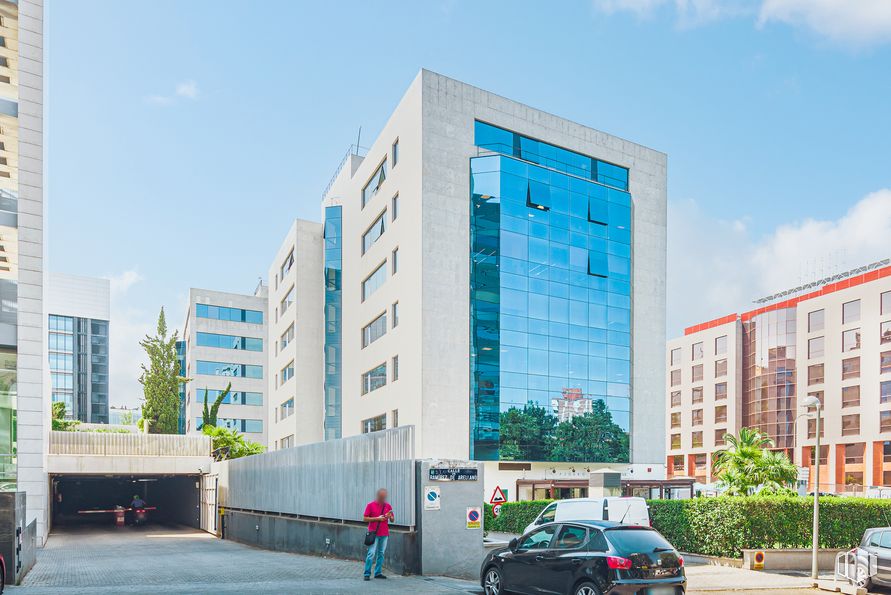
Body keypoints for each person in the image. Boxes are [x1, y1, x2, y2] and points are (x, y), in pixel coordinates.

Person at [362, 488, 394, 581]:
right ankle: (367, 573)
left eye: (384, 496)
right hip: (374, 533)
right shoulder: (370, 505)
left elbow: (392, 520)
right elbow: (364, 518)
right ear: (378, 496)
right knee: (371, 553)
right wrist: (377, 518)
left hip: (384, 534)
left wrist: (390, 517)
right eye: (381, 496)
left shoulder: (388, 506)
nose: (383, 498)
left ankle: (378, 573)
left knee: (381, 553)